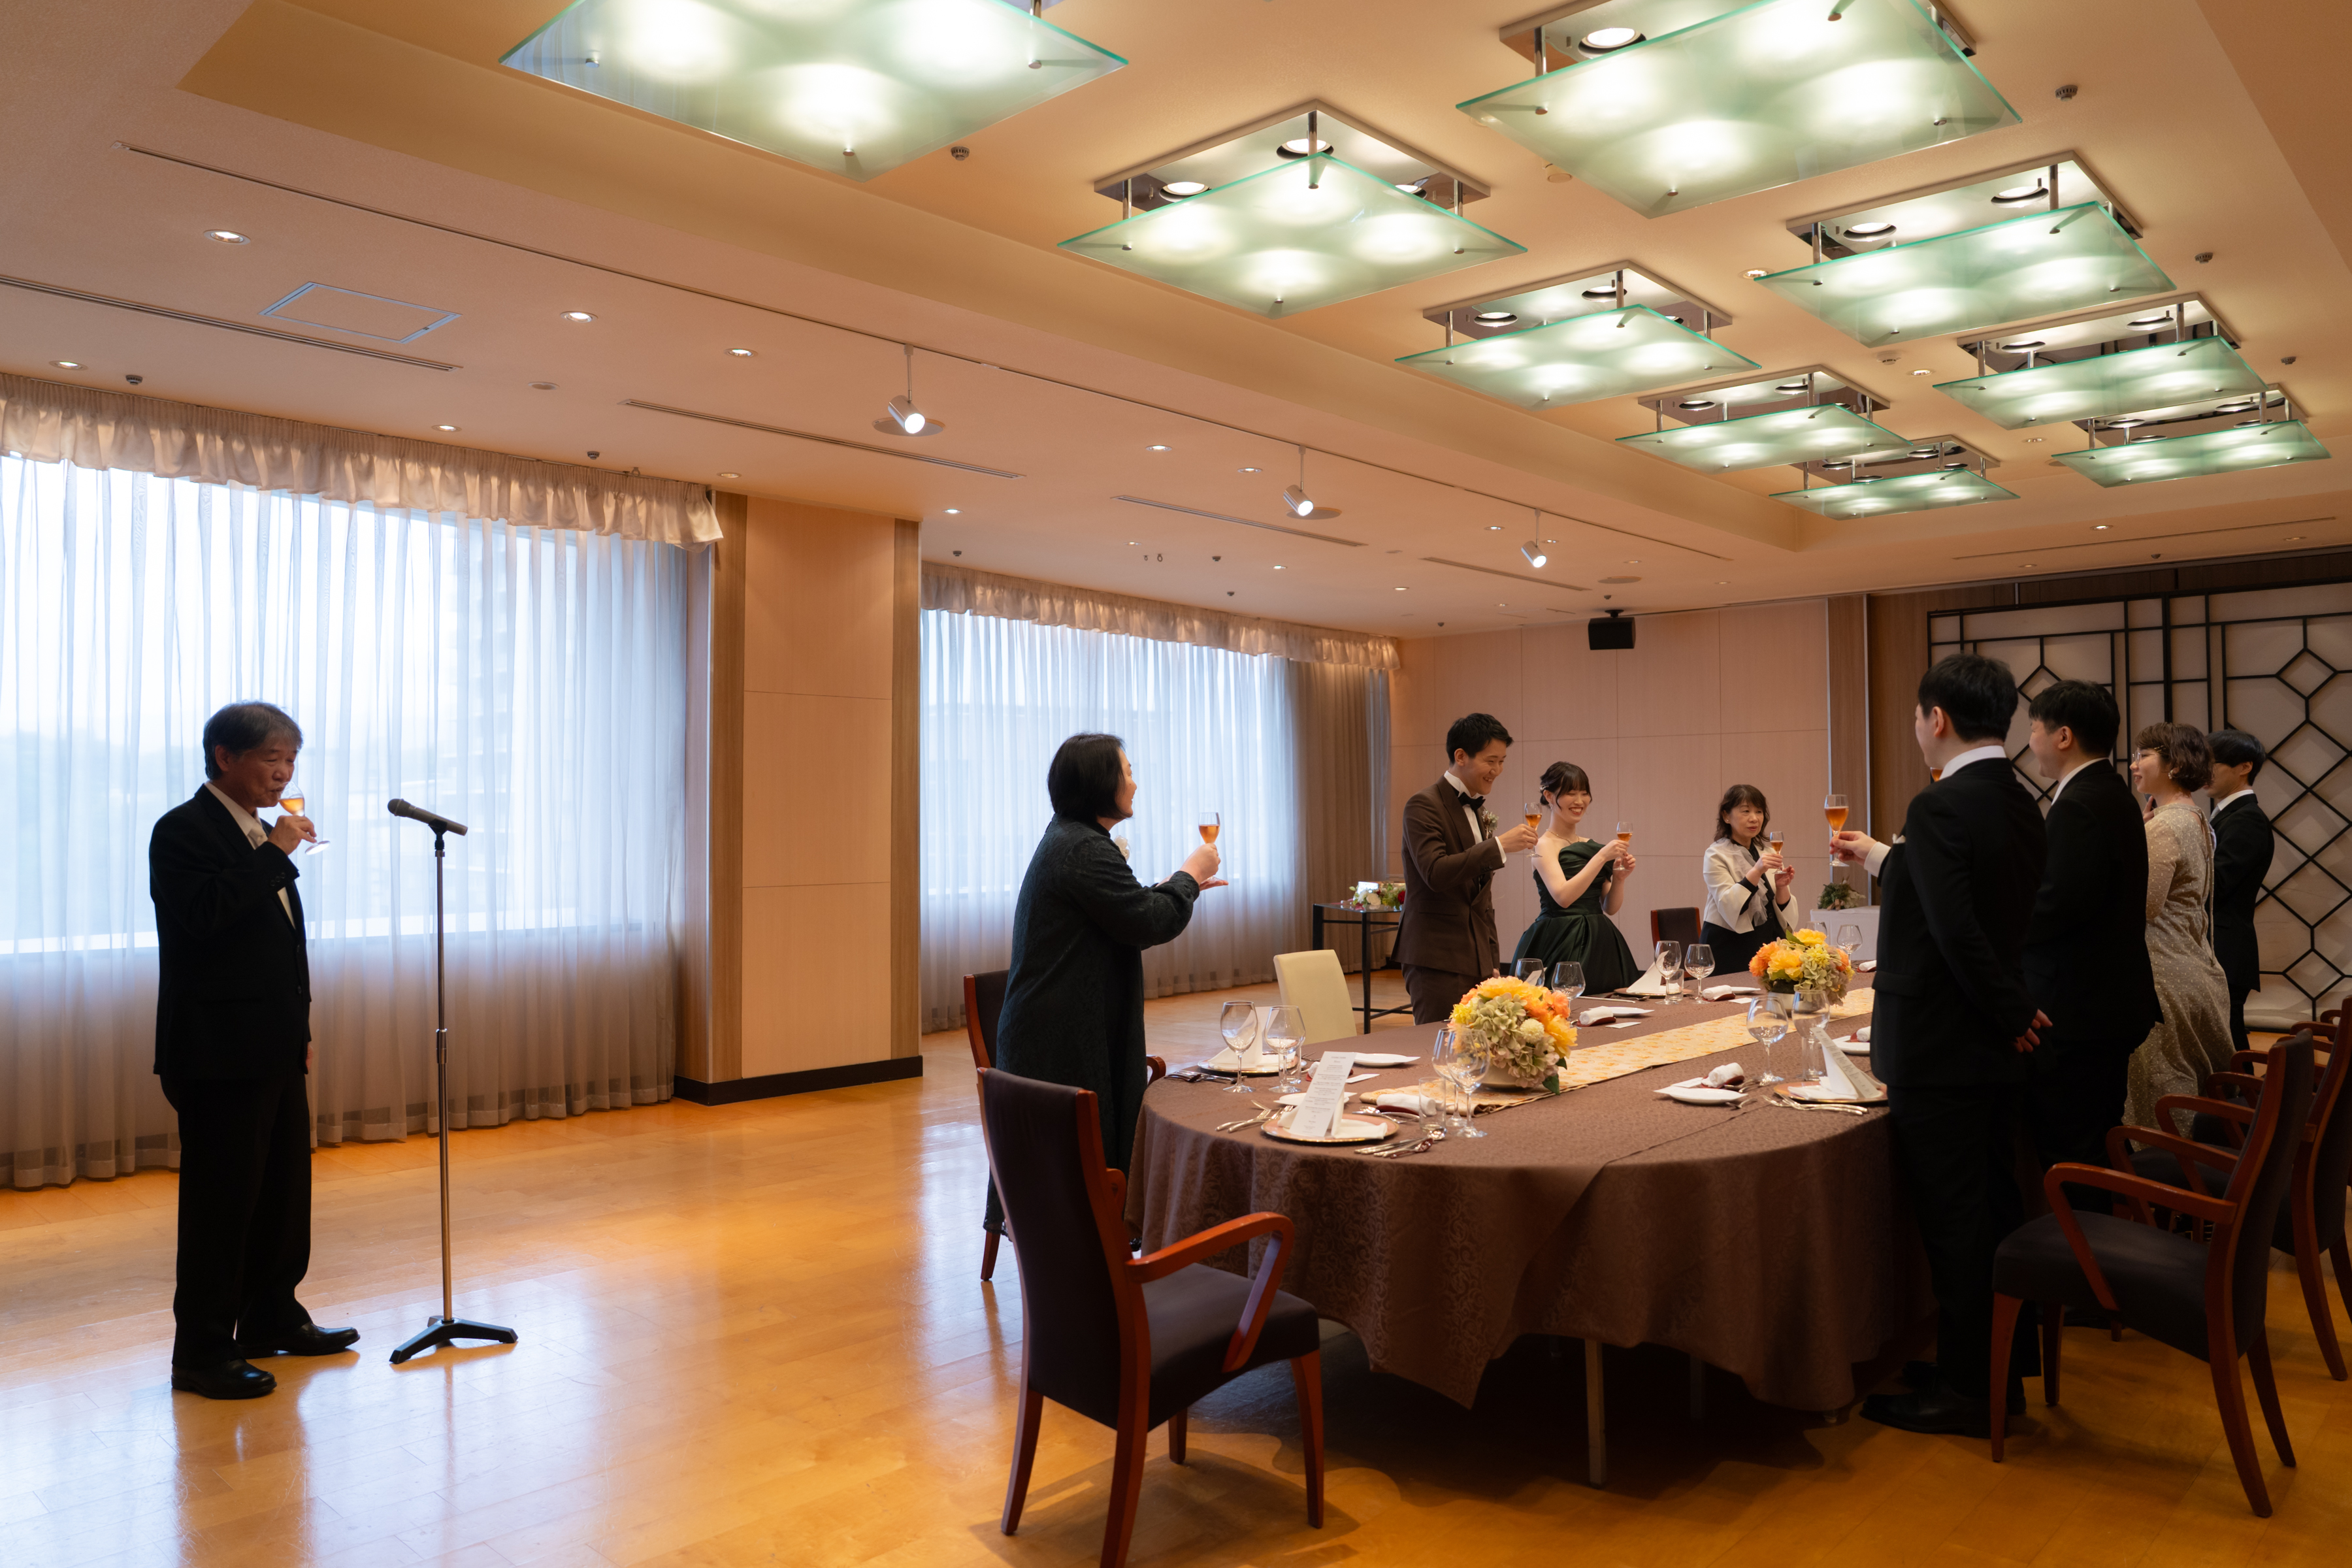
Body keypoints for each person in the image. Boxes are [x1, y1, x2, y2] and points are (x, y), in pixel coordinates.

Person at [1830, 654, 2045, 1437]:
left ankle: (1965, 1389)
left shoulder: (1940, 805)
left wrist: (2010, 1007)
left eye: (1919, 719)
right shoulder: (2018, 802)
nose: (1918, 731)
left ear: (1938, 720)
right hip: (1986, 1048)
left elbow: (1955, 929)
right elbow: (1973, 896)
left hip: (1942, 1046)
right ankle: (1994, 1366)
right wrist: (2012, 1012)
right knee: (1991, 1205)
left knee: (1955, 1220)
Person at [150, 702, 357, 1401]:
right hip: (215, 1053)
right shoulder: (182, 831)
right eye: (271, 757)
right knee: (221, 1205)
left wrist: (298, 1035)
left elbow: (277, 951)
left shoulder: (263, 835)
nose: (283, 771)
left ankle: (273, 1315)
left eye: (291, 759)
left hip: (272, 1047)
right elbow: (205, 920)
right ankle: (203, 1354)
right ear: (222, 757)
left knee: (281, 1195)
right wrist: (276, 854)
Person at [988, 734, 1220, 1233]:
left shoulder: (1073, 839)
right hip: (1060, 1037)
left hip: (1058, 1024)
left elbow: (1121, 910)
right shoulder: (1083, 848)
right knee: (1078, 1163)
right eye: (1127, 771)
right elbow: (1148, 923)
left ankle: (1100, 1235)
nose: (1135, 783)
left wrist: (1176, 888)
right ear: (1101, 783)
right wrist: (1188, 874)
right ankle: (1095, 1245)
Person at [2019, 681, 2160, 1205]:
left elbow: (2054, 908)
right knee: (2093, 1143)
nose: (2029, 740)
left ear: (2062, 735)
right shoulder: (2112, 794)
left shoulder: (2080, 804)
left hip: (2078, 1012)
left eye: (2033, 728)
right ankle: (2102, 1263)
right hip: (2108, 1003)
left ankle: (2085, 1271)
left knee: (2073, 1158)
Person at [2127, 723, 2236, 1133]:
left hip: (2162, 973)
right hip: (2194, 965)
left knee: (2165, 1090)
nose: (2134, 765)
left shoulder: (2165, 826)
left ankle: (2165, 1185)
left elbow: (2145, 906)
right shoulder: (2193, 817)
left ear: (2173, 765)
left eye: (2144, 756)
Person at [1396, 713, 1540, 1024]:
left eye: (1502, 761)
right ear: (1460, 756)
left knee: (1477, 1047)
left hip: (1475, 957)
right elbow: (1435, 872)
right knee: (1437, 1044)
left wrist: (1489, 957)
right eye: (1491, 761)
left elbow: (1479, 898)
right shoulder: (1423, 805)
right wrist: (1499, 846)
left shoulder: (1479, 809)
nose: (1498, 771)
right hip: (1436, 956)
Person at [1510, 762, 1640, 991]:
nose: (1580, 801)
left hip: (1601, 939)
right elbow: (1563, 897)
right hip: (1559, 939)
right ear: (1549, 796)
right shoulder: (1543, 845)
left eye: (1584, 793)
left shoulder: (1589, 846)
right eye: (1571, 793)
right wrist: (1601, 858)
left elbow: (1609, 907)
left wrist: (1620, 878)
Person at [2207, 730, 2275, 1053]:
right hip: (2220, 945)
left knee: (2229, 1041)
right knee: (2222, 1039)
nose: (2203, 773)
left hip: (2227, 947)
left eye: (2211, 764)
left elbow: (2217, 885)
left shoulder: (2247, 819)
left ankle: (2248, 1101)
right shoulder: (2225, 815)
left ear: (2244, 767)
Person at [1698, 783, 1794, 974]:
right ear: (1726, 816)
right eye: (1746, 811)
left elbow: (1779, 911)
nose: (1754, 818)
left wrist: (1782, 888)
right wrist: (1757, 869)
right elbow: (1729, 905)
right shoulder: (1715, 854)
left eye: (1759, 812)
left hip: (1763, 947)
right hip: (1727, 948)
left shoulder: (1767, 852)